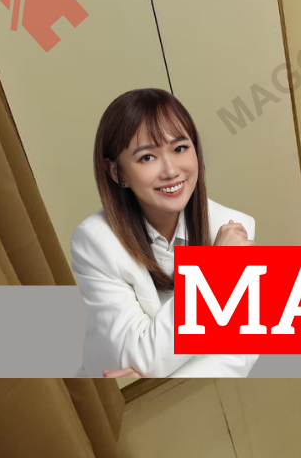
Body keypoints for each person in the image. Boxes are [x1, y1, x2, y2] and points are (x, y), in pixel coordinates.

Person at [71, 88, 259, 378]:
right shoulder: (96, 243)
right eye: (147, 157)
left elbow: (240, 351)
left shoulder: (233, 227)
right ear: (117, 172)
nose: (171, 171)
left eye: (180, 148)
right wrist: (214, 270)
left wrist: (155, 365)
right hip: (125, 397)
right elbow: (143, 359)